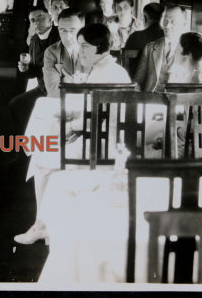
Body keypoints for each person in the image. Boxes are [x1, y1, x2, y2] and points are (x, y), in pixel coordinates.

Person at [14, 23, 131, 245]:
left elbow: (92, 119)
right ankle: (47, 223)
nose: (80, 51)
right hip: (107, 138)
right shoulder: (111, 69)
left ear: (100, 47)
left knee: (43, 160)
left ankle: (42, 226)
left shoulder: (103, 74)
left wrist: (69, 124)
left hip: (101, 145)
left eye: (84, 46)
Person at [9, 6, 60, 134]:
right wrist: (25, 69)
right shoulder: (34, 40)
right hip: (42, 87)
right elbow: (35, 71)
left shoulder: (59, 36)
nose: (37, 23)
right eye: (33, 20)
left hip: (56, 88)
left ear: (50, 19)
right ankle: (24, 144)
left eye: (40, 18)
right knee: (16, 104)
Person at [134, 4, 188, 92]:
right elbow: (138, 81)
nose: (167, 26)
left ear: (184, 23)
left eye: (172, 21)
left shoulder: (190, 49)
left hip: (177, 101)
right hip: (150, 100)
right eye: (165, 20)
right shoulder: (150, 48)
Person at [42, 8, 86, 98]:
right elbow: (53, 89)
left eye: (72, 30)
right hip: (59, 103)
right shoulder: (51, 52)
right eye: (63, 30)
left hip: (88, 103)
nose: (68, 37)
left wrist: (66, 82)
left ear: (82, 28)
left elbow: (98, 86)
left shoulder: (93, 49)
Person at [124, 2, 165, 77]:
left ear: (145, 18)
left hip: (136, 83)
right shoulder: (167, 38)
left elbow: (126, 64)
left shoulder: (135, 37)